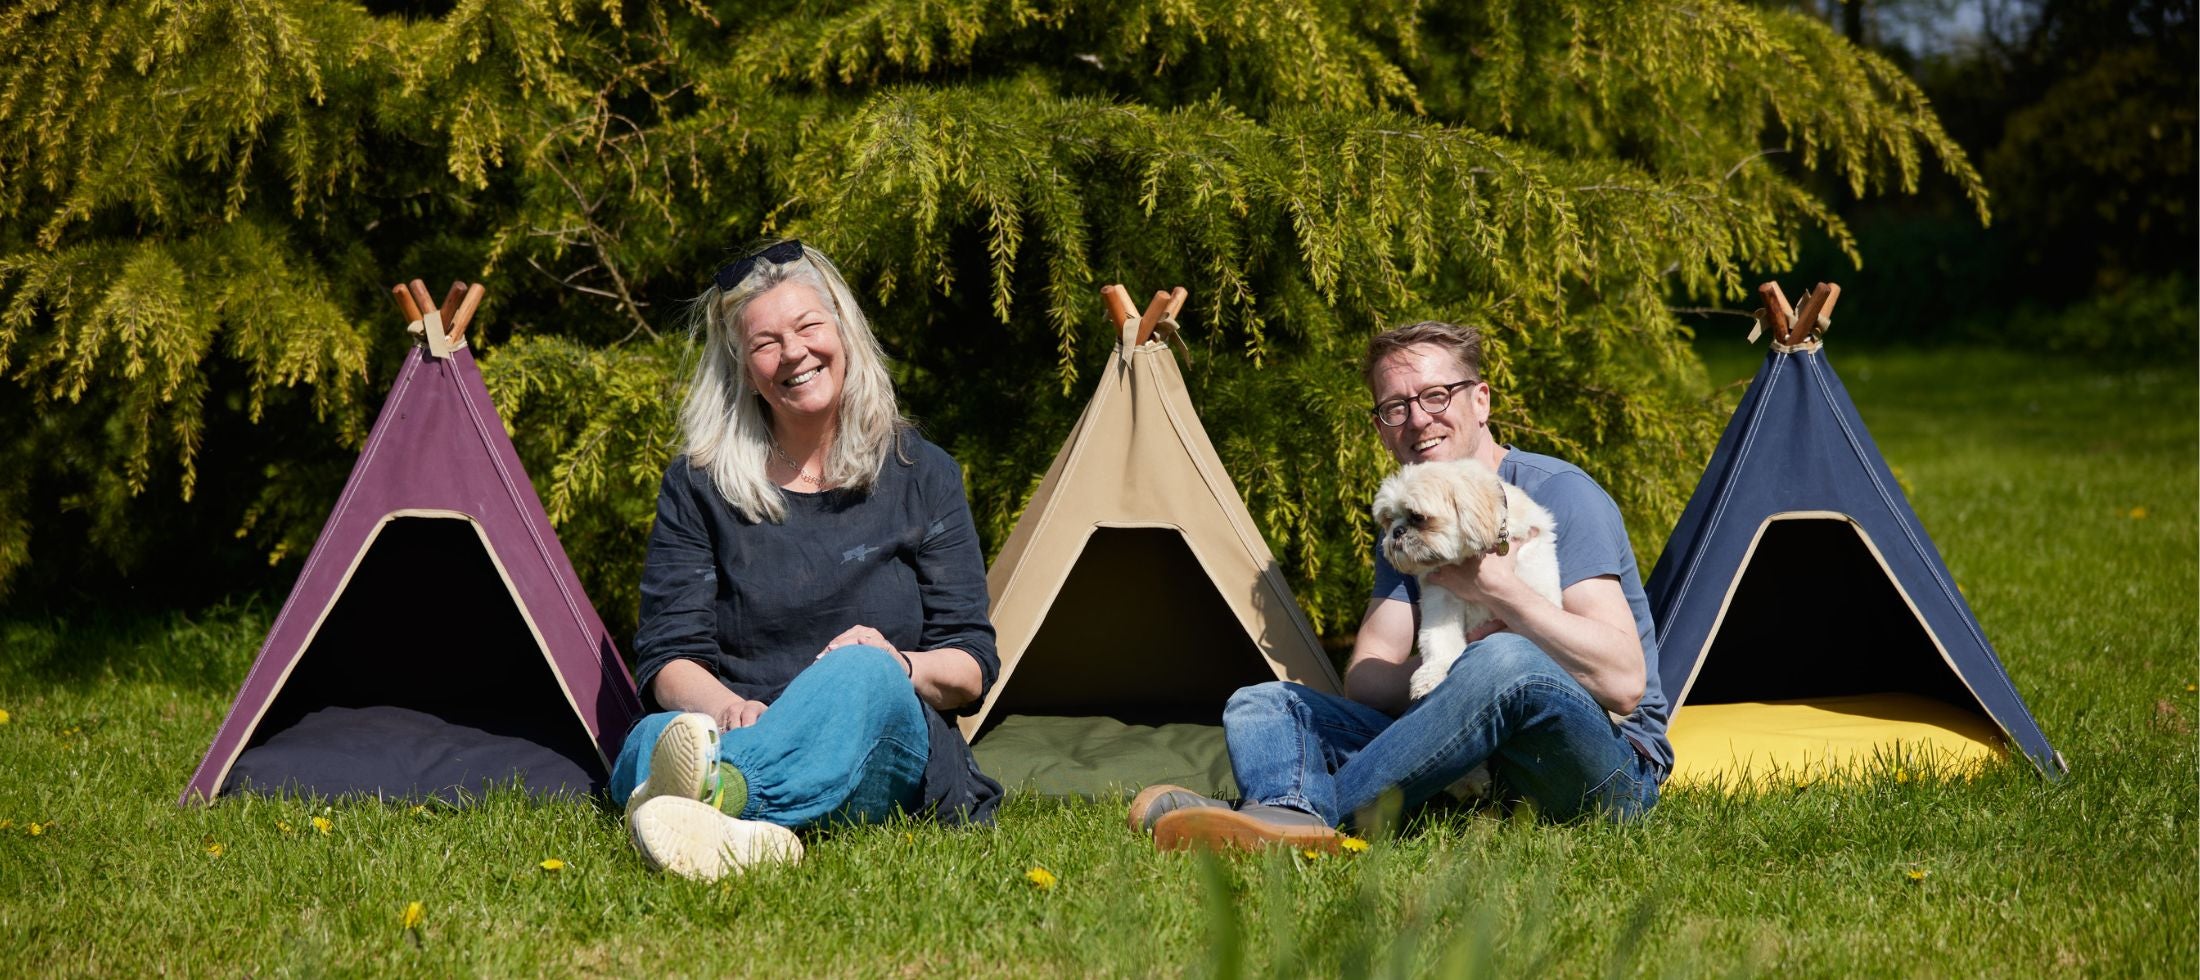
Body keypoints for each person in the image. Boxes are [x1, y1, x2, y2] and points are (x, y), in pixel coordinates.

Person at [1132, 320, 1671, 848]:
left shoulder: (1559, 494)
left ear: (1481, 401)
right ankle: (1285, 811)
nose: (1418, 420)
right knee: (1265, 703)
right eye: (1396, 407)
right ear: (1381, 429)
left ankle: (1286, 822)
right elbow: (1368, 685)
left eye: (1437, 395)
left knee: (1504, 660)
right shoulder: (1411, 523)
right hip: (1474, 762)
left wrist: (1497, 595)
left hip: (1605, 767)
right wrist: (1458, 662)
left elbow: (1622, 683)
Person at [615, 240, 1002, 881]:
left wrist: (895, 663)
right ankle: (747, 821)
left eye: (807, 326)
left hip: (882, 746)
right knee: (650, 736)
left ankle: (724, 799)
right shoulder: (698, 485)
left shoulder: (922, 473)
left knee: (860, 671)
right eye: (766, 342)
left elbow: (969, 666)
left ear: (843, 332)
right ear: (743, 368)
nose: (793, 352)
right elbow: (670, 656)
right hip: (738, 724)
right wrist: (725, 708)